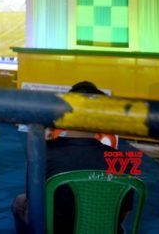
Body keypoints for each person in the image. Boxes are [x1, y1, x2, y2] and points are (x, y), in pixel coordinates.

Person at [11, 81, 133, 233]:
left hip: (56, 229)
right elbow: (123, 211)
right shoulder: (122, 158)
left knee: (20, 202)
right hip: (100, 228)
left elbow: (34, 199)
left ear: (65, 114)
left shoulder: (43, 153)